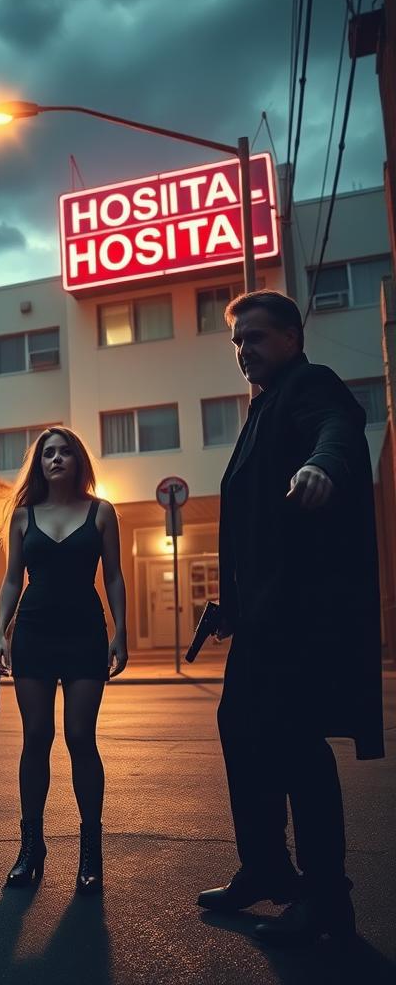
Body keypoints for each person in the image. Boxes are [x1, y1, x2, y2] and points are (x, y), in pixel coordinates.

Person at [197, 290, 384, 945]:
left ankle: (328, 897)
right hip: (262, 620)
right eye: (237, 341)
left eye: (256, 337)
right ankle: (265, 866)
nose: (245, 350)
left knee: (297, 749)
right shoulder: (261, 409)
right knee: (243, 734)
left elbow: (336, 425)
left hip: (298, 618)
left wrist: (321, 466)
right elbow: (256, 528)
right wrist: (231, 605)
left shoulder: (308, 385)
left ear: (292, 337)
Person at [0, 427, 127, 893]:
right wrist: (0, 631)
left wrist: (120, 632)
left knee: (79, 736)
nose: (56, 459)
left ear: (78, 460)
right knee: (36, 737)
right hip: (33, 632)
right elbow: (12, 580)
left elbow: (113, 577)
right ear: (40, 463)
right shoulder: (23, 516)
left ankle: (91, 852)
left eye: (64, 451)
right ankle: (31, 849)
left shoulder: (102, 512)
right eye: (48, 453)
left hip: (85, 634)